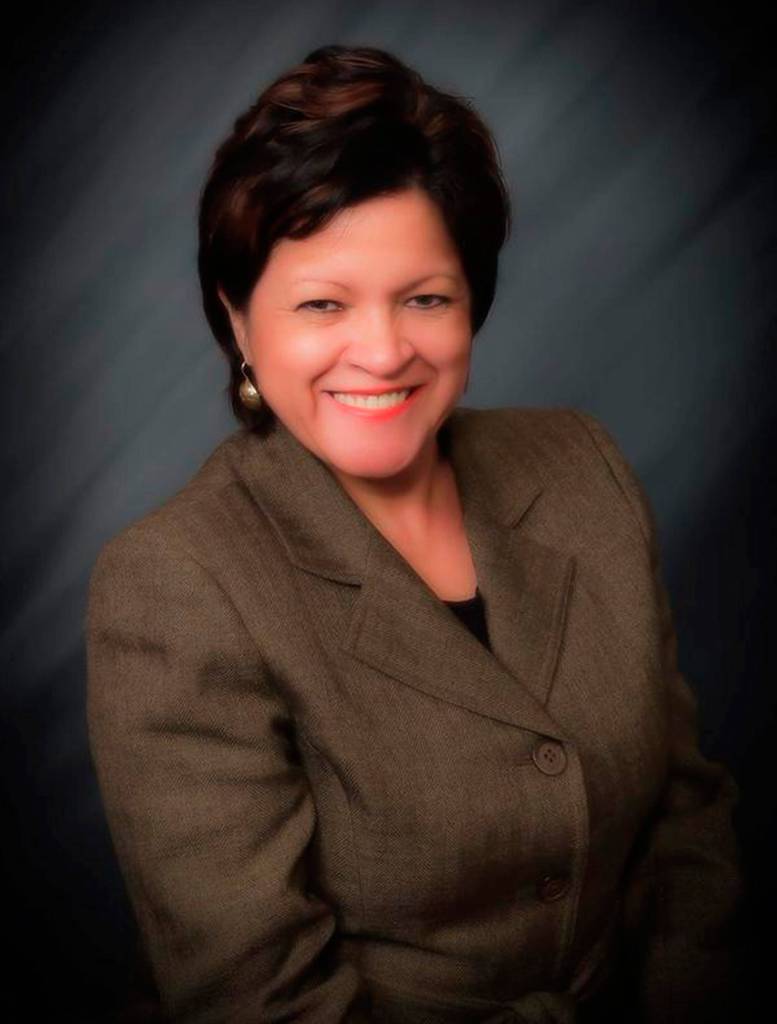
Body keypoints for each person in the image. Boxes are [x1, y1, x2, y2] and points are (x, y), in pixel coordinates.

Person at [85, 44, 746, 1024]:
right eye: (323, 304)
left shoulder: (582, 467)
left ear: (472, 300)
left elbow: (685, 820)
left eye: (425, 298)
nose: (384, 350)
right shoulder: (176, 584)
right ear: (239, 322)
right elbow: (261, 999)